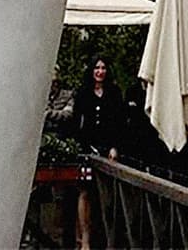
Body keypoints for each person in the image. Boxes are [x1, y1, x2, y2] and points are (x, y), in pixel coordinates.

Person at [70, 56, 126, 250]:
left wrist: (114, 146)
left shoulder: (114, 93)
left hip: (108, 147)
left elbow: (120, 122)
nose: (100, 71)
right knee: (85, 191)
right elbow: (77, 121)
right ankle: (85, 240)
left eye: (103, 68)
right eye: (97, 68)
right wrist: (79, 145)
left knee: (107, 196)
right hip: (87, 148)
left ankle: (106, 238)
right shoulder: (84, 93)